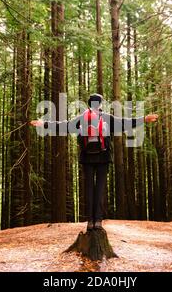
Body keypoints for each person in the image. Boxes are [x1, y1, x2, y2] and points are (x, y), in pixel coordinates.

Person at [30, 94, 158, 231]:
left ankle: (90, 221)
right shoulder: (107, 118)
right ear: (101, 104)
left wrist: (43, 124)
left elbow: (65, 126)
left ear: (89, 104)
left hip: (86, 157)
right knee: (99, 189)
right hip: (103, 156)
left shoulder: (83, 118)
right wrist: (144, 119)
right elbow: (125, 123)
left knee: (89, 189)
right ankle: (98, 221)